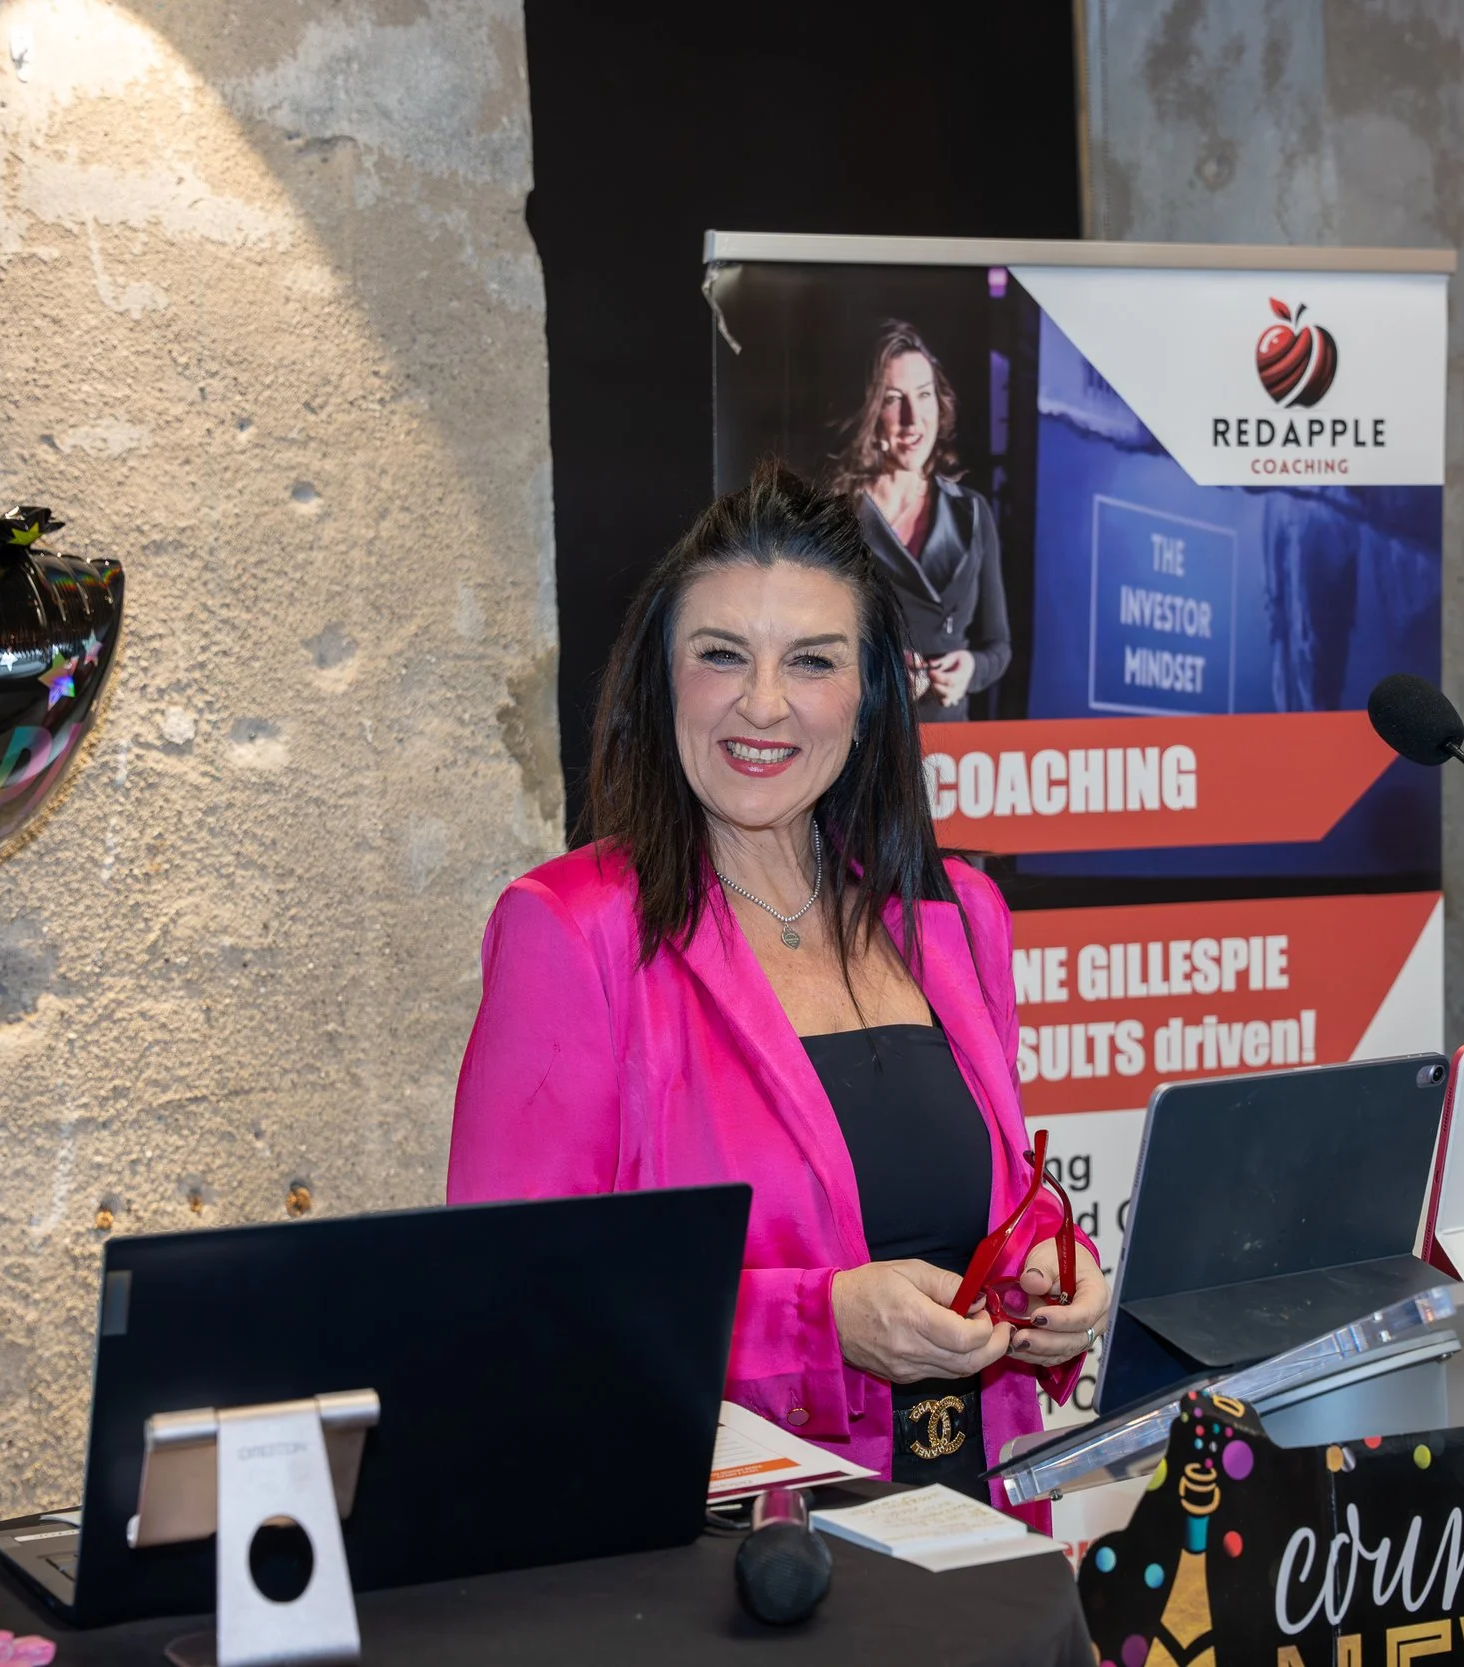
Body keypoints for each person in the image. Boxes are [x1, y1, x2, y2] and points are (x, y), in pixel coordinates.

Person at [449, 463, 1103, 1512]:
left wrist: (1053, 1272)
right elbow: (512, 1298)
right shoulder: (571, 930)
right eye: (720, 656)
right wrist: (821, 1321)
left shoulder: (957, 917)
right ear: (664, 682)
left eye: (810, 660)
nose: (763, 702)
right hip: (723, 1567)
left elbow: (979, 1206)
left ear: (868, 692)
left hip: (979, 1532)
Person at [827, 320, 1010, 722]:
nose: (913, 419)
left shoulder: (972, 512)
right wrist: (877, 673)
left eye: (924, 395)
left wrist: (971, 670)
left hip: (952, 749)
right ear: (870, 409)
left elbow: (998, 647)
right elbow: (803, 651)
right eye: (894, 399)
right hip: (869, 741)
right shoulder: (834, 517)